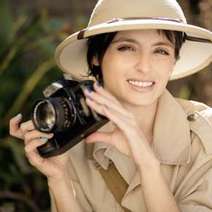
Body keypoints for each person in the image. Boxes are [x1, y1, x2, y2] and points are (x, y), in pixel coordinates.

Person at [9, 0, 212, 211]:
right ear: (96, 56)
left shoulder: (206, 136)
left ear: (174, 60)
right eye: (126, 48)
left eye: (161, 51)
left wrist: (148, 165)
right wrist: (59, 181)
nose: (144, 66)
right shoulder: (73, 142)